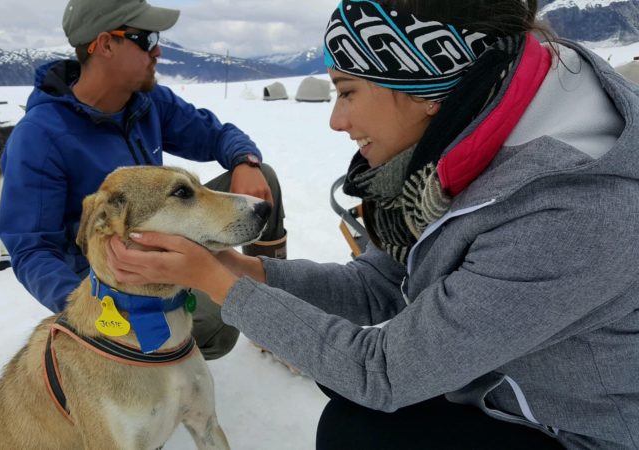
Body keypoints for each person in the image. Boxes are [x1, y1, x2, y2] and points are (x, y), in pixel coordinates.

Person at [103, 0, 639, 448]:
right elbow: (383, 282)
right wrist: (245, 271)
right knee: (344, 394)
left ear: (426, 82)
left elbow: (380, 373)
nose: (337, 120)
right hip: (500, 375)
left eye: (347, 91)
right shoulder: (470, 139)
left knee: (357, 429)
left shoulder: (570, 210)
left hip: (579, 428)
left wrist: (216, 281)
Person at [0, 0, 287, 361]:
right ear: (104, 45)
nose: (158, 50)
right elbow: (32, 249)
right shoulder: (40, 139)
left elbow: (216, 135)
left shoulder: (146, 102)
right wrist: (97, 307)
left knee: (264, 180)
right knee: (217, 327)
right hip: (118, 285)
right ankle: (160, 356)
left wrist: (245, 161)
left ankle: (275, 309)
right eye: (146, 38)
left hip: (169, 243)